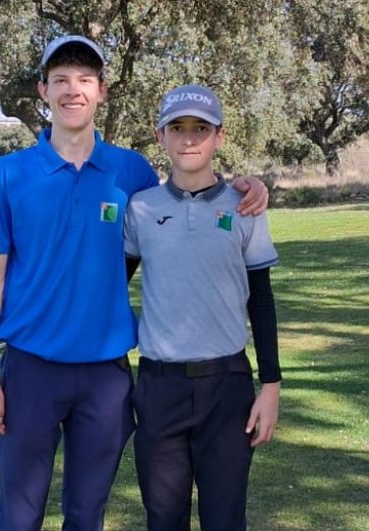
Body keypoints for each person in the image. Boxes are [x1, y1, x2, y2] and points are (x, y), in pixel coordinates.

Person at [0, 35, 268, 531]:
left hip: (107, 377)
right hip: (30, 370)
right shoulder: (9, 174)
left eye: (85, 80)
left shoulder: (130, 170)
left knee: (87, 516)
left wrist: (246, 186)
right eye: (60, 80)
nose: (73, 90)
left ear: (102, 91)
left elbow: (187, 192)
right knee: (19, 516)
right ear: (43, 90)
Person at [123, 84, 281, 531]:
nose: (189, 138)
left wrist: (270, 384)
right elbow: (112, 287)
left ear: (219, 137)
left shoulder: (245, 207)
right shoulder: (140, 209)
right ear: (160, 137)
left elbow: (262, 300)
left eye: (200, 128)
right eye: (178, 128)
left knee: (225, 518)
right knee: (164, 518)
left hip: (227, 388)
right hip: (159, 386)